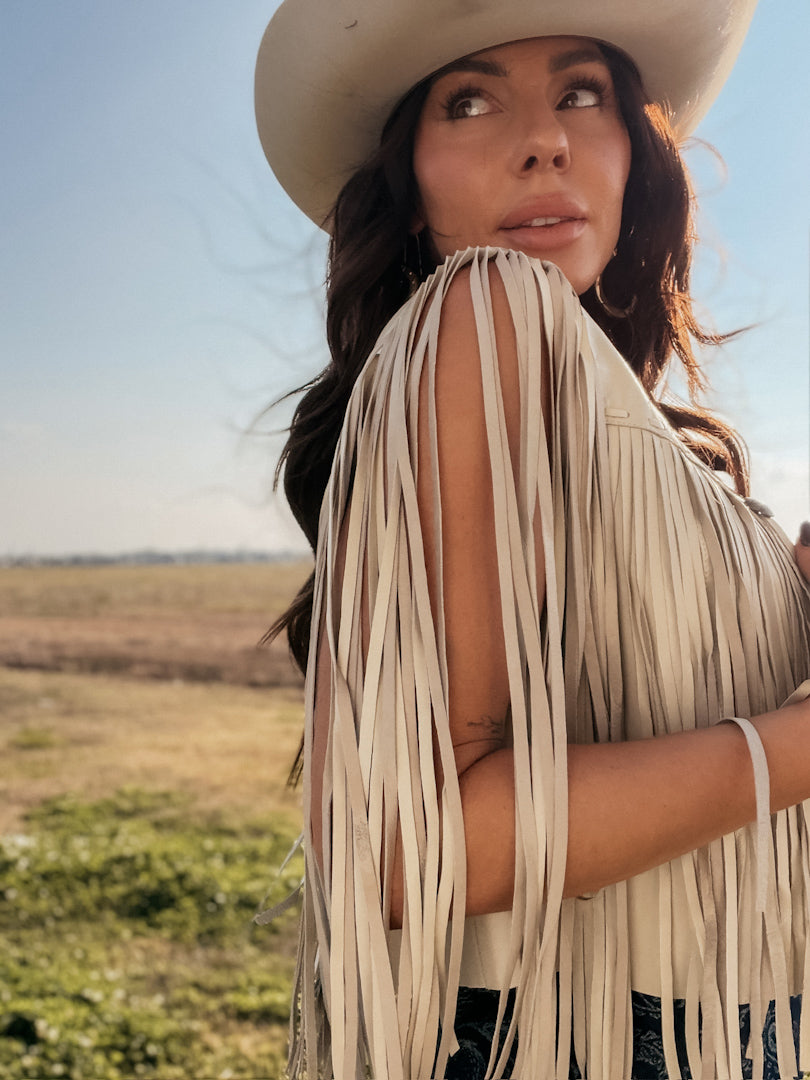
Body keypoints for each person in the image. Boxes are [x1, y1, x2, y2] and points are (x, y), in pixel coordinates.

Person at [254, 1, 810, 1076]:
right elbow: (408, 852)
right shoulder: (489, 308)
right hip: (591, 1038)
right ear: (409, 191)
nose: (544, 136)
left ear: (631, 151)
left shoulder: (631, 427)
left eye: (581, 92)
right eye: (469, 101)